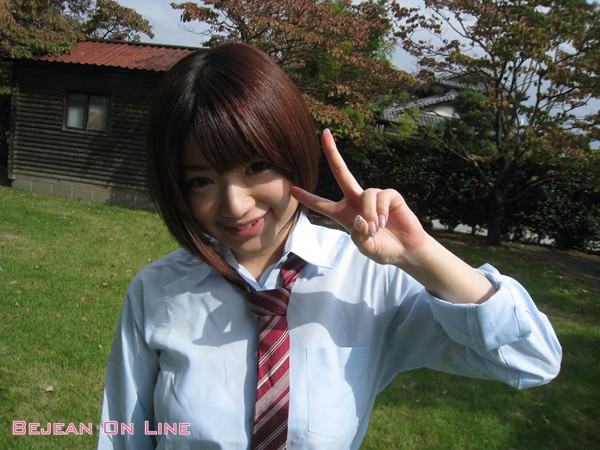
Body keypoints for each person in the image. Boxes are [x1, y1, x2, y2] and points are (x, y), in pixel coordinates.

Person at [97, 42, 561, 450]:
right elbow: (123, 434)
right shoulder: (157, 292)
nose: (235, 205)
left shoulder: (369, 281)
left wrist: (419, 254)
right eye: (201, 180)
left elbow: (533, 359)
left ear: (293, 153)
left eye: (256, 167)